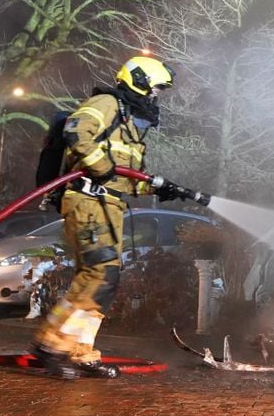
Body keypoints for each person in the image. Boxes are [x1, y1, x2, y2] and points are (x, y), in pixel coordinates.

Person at [29, 55, 176, 379]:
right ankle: (50, 343)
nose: (155, 96)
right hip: (86, 201)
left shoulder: (130, 124)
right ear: (139, 80)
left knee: (105, 280)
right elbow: (76, 130)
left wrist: (155, 189)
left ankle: (80, 352)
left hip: (109, 206)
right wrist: (99, 166)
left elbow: (121, 178)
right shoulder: (107, 102)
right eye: (154, 89)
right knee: (98, 273)